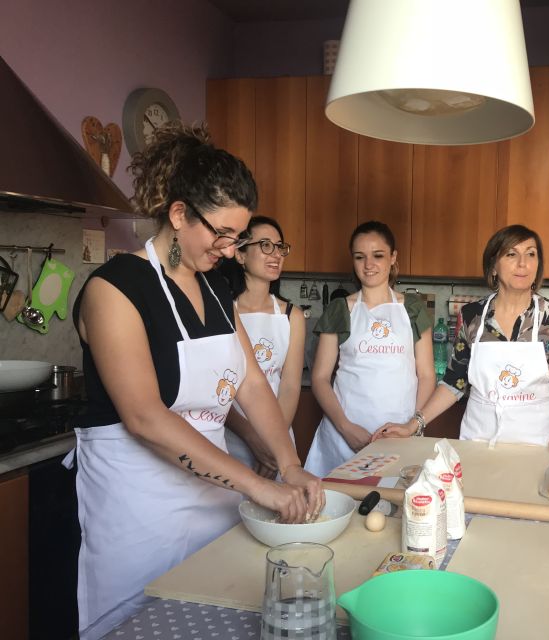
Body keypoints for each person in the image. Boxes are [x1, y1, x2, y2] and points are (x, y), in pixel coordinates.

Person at [69, 123, 323, 640]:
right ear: (180, 214)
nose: (231, 250)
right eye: (222, 235)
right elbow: (143, 416)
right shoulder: (114, 289)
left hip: (213, 496)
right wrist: (258, 485)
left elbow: (252, 384)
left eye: (238, 237)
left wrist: (290, 465)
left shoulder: (215, 289)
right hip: (139, 510)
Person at [374, 225, 549, 455]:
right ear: (493, 265)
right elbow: (456, 380)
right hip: (478, 440)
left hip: (539, 442)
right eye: (511, 254)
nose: (523, 263)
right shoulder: (471, 316)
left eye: (531, 254)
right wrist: (412, 425)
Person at [304, 221, 435, 476]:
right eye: (359, 257)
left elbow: (427, 375)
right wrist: (345, 427)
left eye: (378, 256)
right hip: (344, 438)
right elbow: (319, 378)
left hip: (400, 436)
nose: (368, 265)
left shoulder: (413, 309)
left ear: (393, 257)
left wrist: (412, 426)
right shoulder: (340, 308)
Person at [218, 215, 305, 478]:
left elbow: (289, 386)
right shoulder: (220, 310)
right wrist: (251, 436)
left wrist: (273, 445)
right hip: (228, 439)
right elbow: (219, 386)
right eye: (265, 245)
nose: (276, 254)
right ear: (240, 254)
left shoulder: (292, 316)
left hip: (278, 442)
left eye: (280, 247)